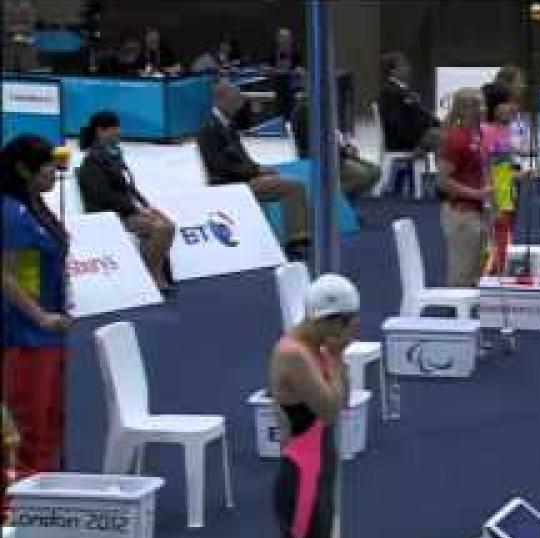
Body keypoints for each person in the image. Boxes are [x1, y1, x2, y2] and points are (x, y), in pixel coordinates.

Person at [270, 273, 356, 538]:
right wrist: (337, 360)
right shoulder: (294, 353)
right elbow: (329, 410)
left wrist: (337, 361)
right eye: (348, 324)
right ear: (328, 320)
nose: (351, 333)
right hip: (301, 481)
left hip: (318, 473)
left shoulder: (316, 347)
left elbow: (346, 399)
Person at [1, 134, 71, 477]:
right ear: (22, 170)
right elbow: (5, 275)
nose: (53, 173)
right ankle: (21, 504)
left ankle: (45, 494)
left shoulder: (38, 207)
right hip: (24, 336)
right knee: (30, 424)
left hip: (52, 331)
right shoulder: (11, 214)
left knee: (51, 420)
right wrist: (40, 317)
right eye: (45, 167)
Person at [198, 82, 310, 261]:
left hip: (242, 179)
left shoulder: (227, 124)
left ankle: (292, 237)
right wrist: (255, 171)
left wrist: (259, 168)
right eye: (235, 100)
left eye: (239, 99)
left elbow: (242, 158)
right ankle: (297, 240)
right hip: (229, 184)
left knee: (281, 180)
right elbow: (219, 167)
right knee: (294, 187)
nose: (239, 104)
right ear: (220, 100)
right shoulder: (208, 129)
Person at [77, 110, 177, 292]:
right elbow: (104, 196)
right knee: (159, 228)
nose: (119, 131)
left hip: (128, 209)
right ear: (100, 131)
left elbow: (128, 186)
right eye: (114, 128)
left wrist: (145, 205)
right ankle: (152, 277)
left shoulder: (115, 156)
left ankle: (152, 274)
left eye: (118, 127)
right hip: (110, 213)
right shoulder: (92, 160)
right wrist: (136, 209)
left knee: (168, 225)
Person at [436, 88, 488, 288]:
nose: (482, 109)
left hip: (478, 211)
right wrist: (476, 193)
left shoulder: (479, 136)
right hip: (462, 214)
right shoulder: (456, 139)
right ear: (463, 110)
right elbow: (442, 181)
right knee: (462, 277)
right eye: (475, 105)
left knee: (478, 272)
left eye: (482, 103)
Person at [481, 84, 532, 277]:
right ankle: (489, 279)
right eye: (506, 103)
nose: (512, 107)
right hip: (493, 196)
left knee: (505, 236)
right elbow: (486, 168)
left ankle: (499, 274)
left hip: (506, 193)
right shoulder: (485, 132)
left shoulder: (502, 131)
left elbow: (503, 165)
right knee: (494, 240)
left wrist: (517, 175)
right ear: (493, 106)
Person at [289, 97, 381, 203]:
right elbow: (317, 145)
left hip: (334, 156)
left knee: (374, 170)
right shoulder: (306, 113)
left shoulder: (320, 111)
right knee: (365, 176)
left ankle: (337, 200)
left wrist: (345, 148)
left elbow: (331, 139)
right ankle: (329, 199)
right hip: (322, 160)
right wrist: (344, 152)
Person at [379, 53, 441, 154]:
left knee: (446, 133)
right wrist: (425, 131)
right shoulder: (391, 92)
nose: (408, 68)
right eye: (403, 65)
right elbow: (399, 123)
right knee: (444, 138)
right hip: (404, 141)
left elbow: (419, 114)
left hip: (415, 133)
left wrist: (437, 123)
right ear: (392, 71)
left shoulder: (401, 90)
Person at [3, 0, 38, 72]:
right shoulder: (8, 7)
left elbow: (30, 27)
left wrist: (17, 32)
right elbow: (6, 28)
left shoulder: (28, 7)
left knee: (30, 43)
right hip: (9, 41)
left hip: (25, 41)